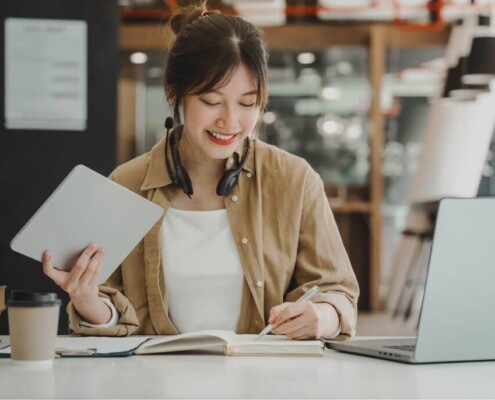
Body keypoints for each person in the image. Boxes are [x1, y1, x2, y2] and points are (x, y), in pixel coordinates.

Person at [42, 2, 359, 340]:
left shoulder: (295, 181)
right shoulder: (126, 185)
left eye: (247, 103)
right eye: (211, 101)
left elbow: (338, 292)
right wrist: (87, 299)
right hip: (152, 386)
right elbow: (110, 309)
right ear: (175, 93)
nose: (230, 121)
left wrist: (324, 316)